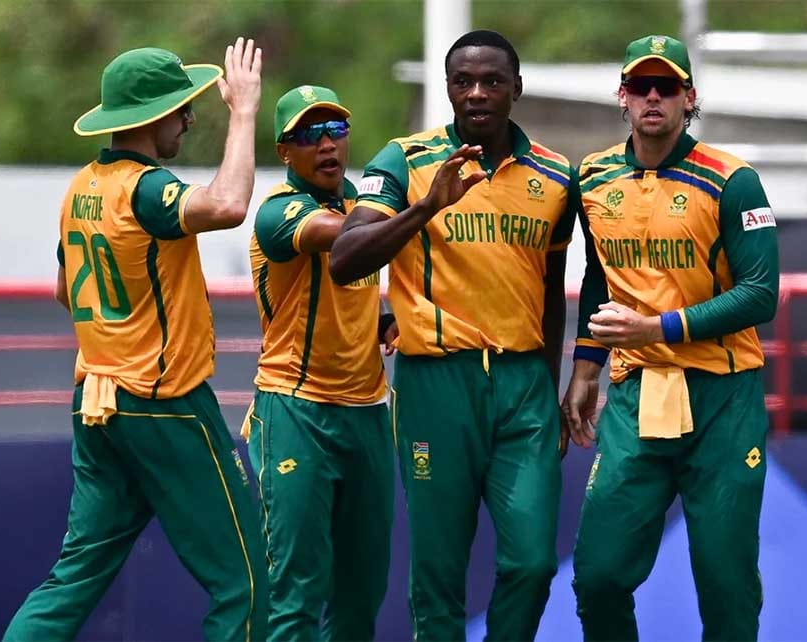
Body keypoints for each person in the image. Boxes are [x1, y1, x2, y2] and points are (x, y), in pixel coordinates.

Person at [3, 40, 268, 642]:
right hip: (164, 404)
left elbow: (66, 292)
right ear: (154, 117)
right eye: (182, 109)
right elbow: (228, 204)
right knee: (248, 583)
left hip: (97, 404)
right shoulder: (146, 189)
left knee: (73, 579)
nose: (189, 119)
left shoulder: (81, 187)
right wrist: (245, 112)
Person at [329, 29, 578, 642]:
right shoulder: (405, 160)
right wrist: (425, 208)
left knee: (533, 564)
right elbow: (344, 259)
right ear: (446, 89)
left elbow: (550, 290)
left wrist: (550, 388)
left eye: (492, 81)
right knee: (439, 573)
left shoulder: (555, 175)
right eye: (462, 82)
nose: (476, 94)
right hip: (436, 384)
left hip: (524, 386)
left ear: (516, 88)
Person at [563, 34, 780, 641]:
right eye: (641, 86)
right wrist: (585, 367)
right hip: (637, 397)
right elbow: (600, 274)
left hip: (723, 397)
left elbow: (761, 294)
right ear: (623, 97)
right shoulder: (593, 176)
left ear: (689, 97)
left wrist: (655, 327)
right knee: (599, 576)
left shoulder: (734, 180)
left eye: (666, 86)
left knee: (726, 585)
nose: (652, 97)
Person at [242, 85, 396, 641]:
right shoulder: (278, 211)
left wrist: (382, 321)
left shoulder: (363, 204)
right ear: (285, 151)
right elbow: (345, 240)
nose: (327, 144)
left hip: (368, 412)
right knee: (297, 591)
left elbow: (348, 288)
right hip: (296, 409)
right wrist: (422, 204)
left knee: (361, 593)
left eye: (336, 129)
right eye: (310, 134)